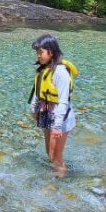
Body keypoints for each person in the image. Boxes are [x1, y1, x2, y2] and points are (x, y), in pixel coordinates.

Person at [29, 34, 78, 177]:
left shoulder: (61, 73)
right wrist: (34, 109)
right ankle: (56, 176)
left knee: (57, 156)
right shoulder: (43, 70)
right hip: (46, 114)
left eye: (41, 52)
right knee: (49, 153)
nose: (38, 56)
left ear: (51, 51)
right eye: (37, 53)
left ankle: (59, 185)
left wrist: (57, 126)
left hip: (60, 118)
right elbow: (37, 92)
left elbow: (63, 101)